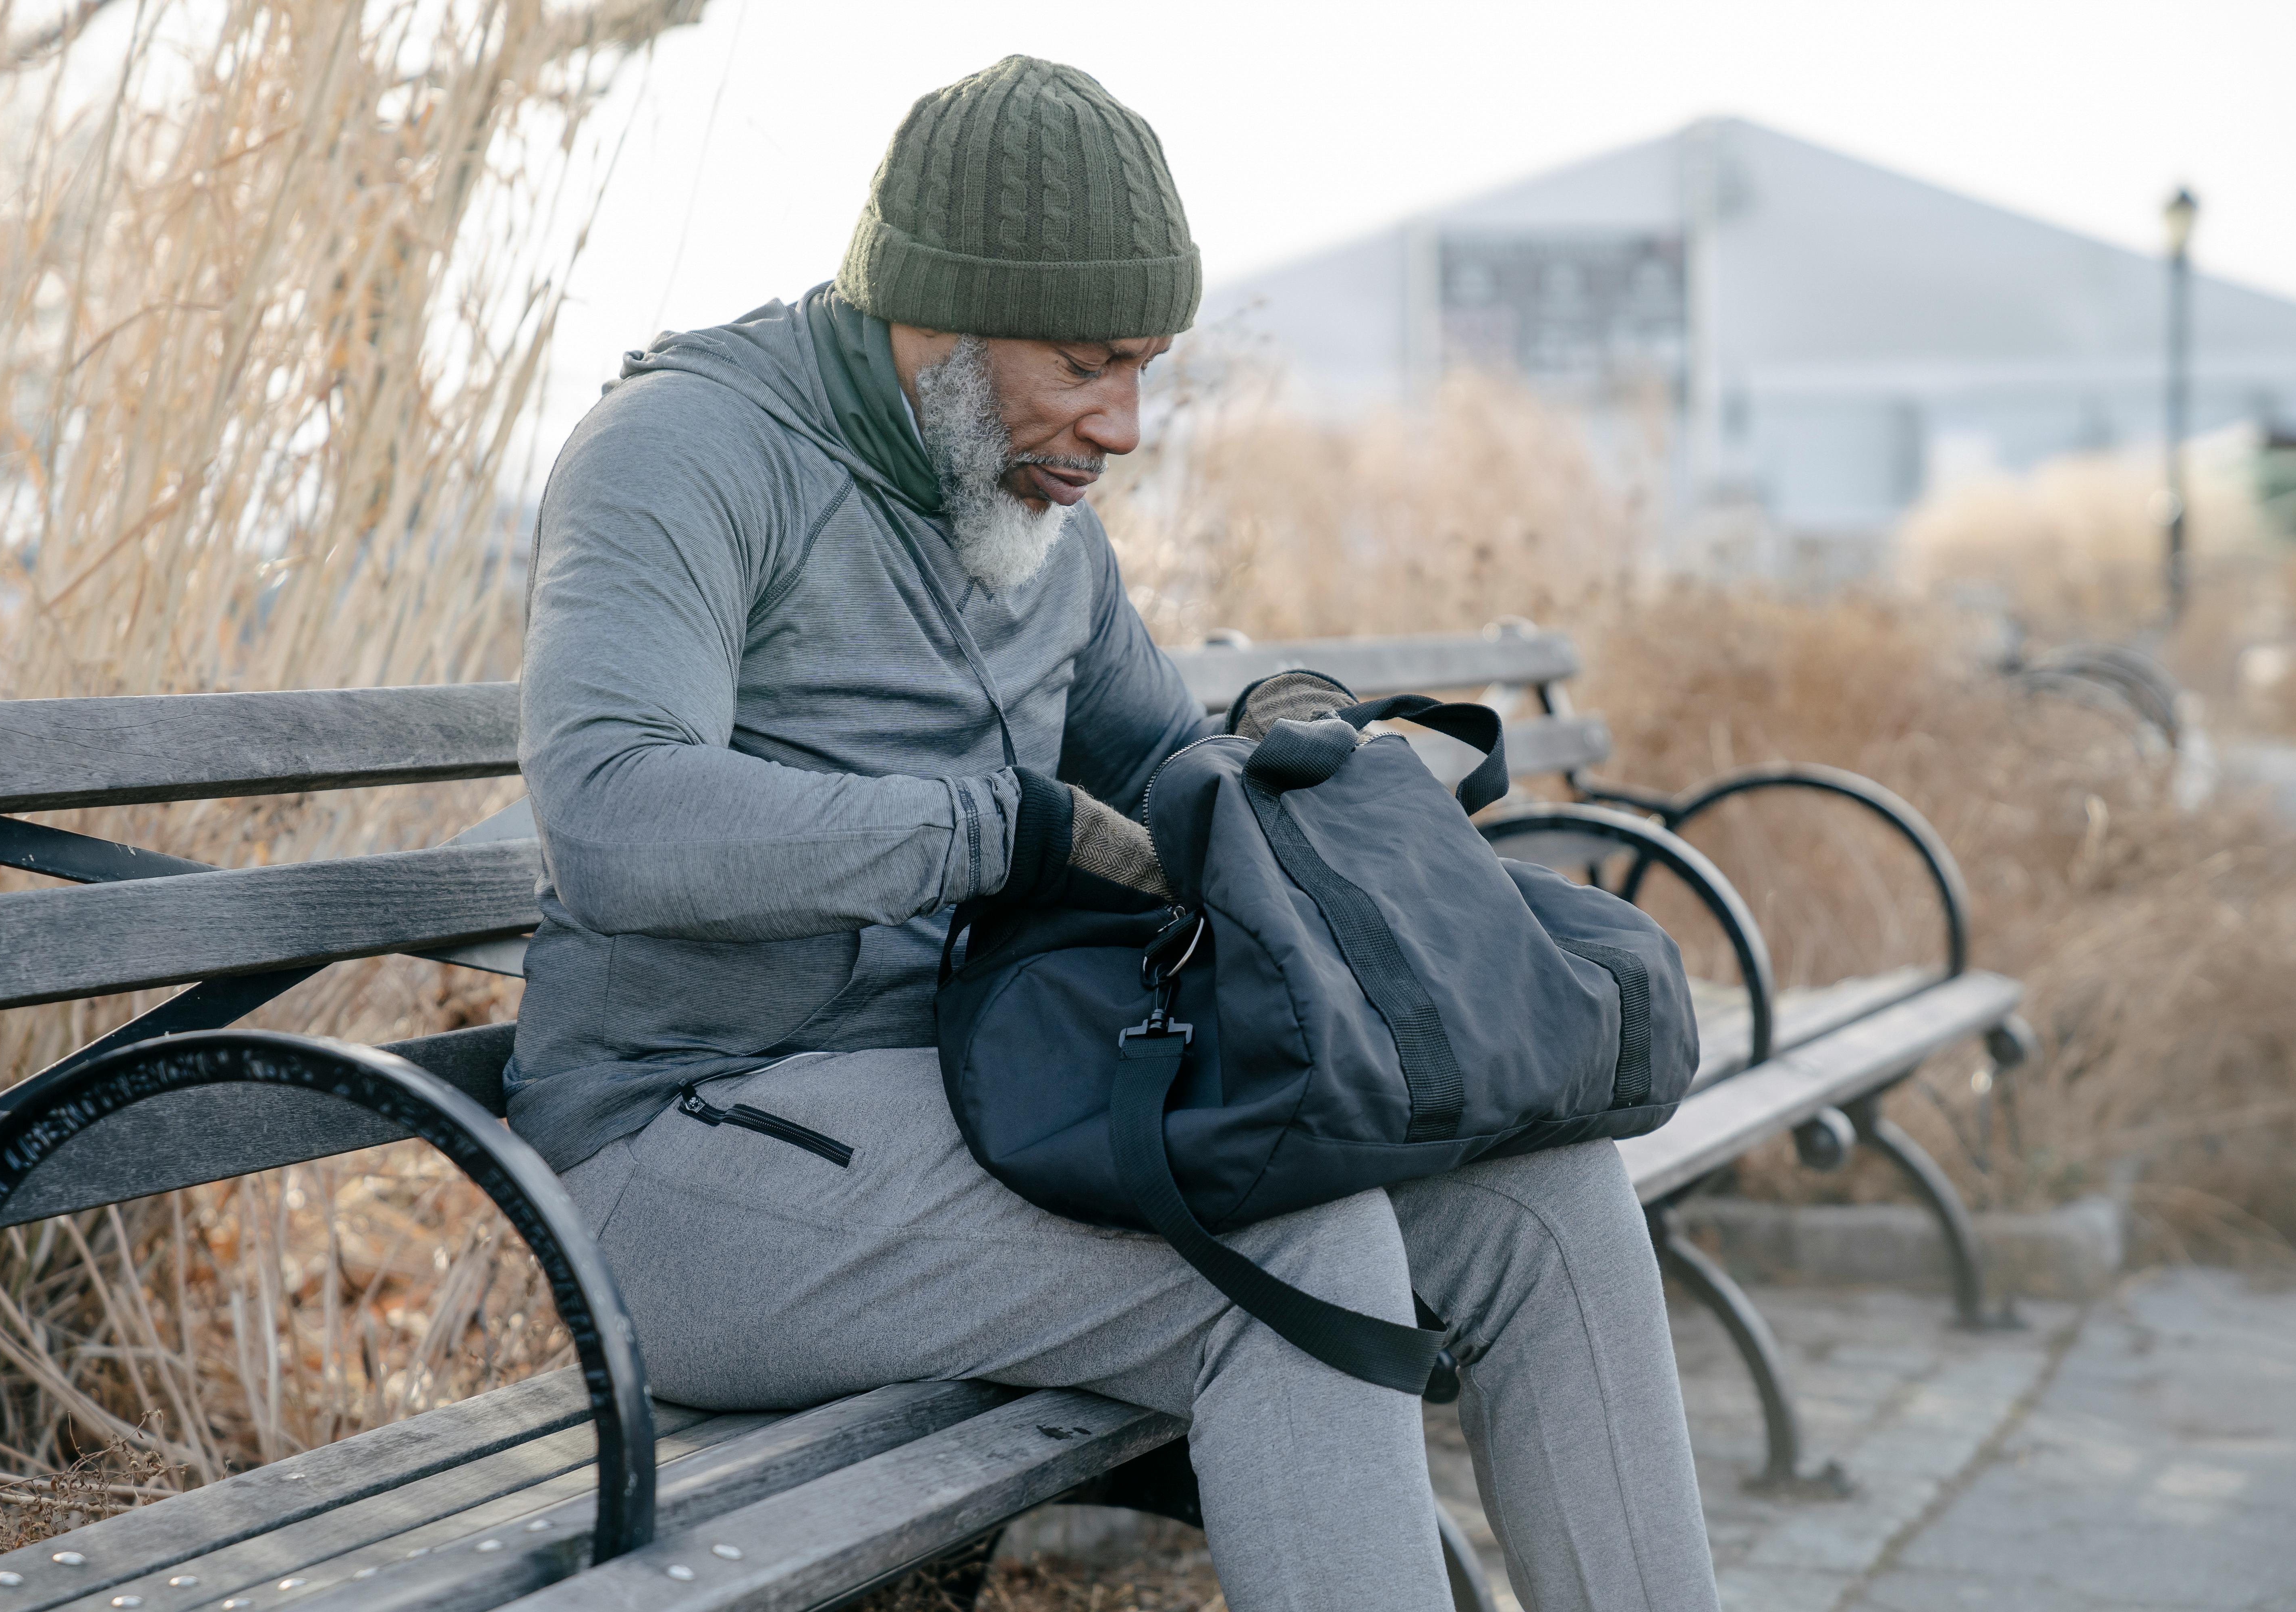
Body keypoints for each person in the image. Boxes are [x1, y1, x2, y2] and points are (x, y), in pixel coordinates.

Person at [510, 54, 1720, 1612]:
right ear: (938, 316)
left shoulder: (1026, 514)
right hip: (680, 1159)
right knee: (1299, 1253)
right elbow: (613, 812)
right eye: (1088, 362)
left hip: (982, 1105)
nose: (1126, 425)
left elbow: (1164, 767)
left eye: (1145, 367)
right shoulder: (687, 454)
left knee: (1550, 1198)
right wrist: (984, 831)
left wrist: (1294, 746)